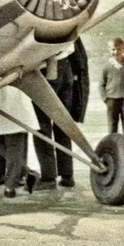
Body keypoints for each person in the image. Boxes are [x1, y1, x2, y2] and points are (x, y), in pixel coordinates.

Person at [32, 55, 78, 189]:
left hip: (46, 70)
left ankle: (48, 177)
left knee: (42, 127)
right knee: (62, 126)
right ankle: (67, 175)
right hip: (66, 70)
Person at [100, 37, 124, 140]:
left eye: (119, 49)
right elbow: (101, 85)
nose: (116, 52)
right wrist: (105, 99)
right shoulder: (107, 66)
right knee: (112, 129)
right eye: (113, 49)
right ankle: (113, 151)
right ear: (109, 50)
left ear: (123, 49)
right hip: (111, 101)